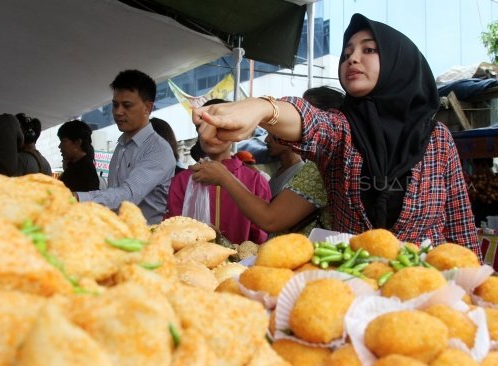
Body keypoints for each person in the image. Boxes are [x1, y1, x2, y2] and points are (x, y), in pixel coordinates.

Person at [192, 13, 480, 255]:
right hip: (351, 288)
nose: (353, 58)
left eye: (368, 50)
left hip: (428, 293)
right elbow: (311, 121)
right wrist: (262, 108)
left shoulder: (437, 138)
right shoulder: (342, 129)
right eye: (347, 53)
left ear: (398, 63)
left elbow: (460, 226)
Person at [190, 88, 340, 238]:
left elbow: (270, 220)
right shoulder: (185, 179)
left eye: (302, 112)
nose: (268, 139)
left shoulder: (320, 166)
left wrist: (224, 177)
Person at [75, 69, 175, 225]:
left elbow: (128, 195)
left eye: (127, 105)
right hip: (118, 234)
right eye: (115, 105)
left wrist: (78, 198)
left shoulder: (158, 150)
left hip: (145, 241)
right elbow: (113, 193)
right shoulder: (121, 145)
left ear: (148, 107)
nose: (118, 112)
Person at [168, 99, 271, 244]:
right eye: (204, 127)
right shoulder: (182, 181)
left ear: (234, 131)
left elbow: (259, 238)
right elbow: (173, 231)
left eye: (219, 128)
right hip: (192, 264)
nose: (209, 135)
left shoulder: (255, 181)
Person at [57, 119, 100, 192]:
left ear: (77, 143)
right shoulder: (76, 167)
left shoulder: (85, 173)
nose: (59, 146)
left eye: (63, 141)